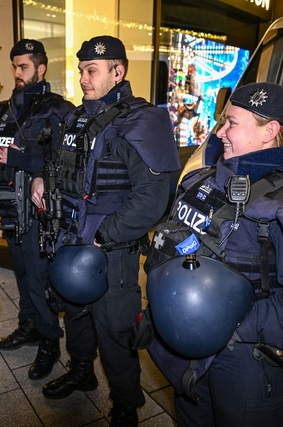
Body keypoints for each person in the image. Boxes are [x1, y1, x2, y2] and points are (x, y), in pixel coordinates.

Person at [162, 82, 283, 426]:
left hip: (244, 357)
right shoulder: (203, 179)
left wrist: (234, 329)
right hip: (183, 352)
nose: (220, 132)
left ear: (269, 131)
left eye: (232, 123)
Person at [31, 35, 181, 425]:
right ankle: (82, 372)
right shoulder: (75, 117)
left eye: (91, 70)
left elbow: (153, 197)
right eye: (81, 69)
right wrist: (40, 180)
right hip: (69, 238)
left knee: (113, 327)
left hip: (109, 249)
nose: (82, 78)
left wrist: (103, 235)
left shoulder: (142, 120)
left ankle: (126, 402)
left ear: (119, 71)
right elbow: (57, 162)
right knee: (76, 315)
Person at [0, 39, 73, 380]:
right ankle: (29, 325)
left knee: (38, 277)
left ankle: (49, 339)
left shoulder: (59, 110)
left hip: (38, 212)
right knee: (23, 275)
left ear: (41, 68)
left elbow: (64, 163)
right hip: (9, 209)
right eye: (14, 66)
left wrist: (22, 159)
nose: (16, 72)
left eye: (23, 66)